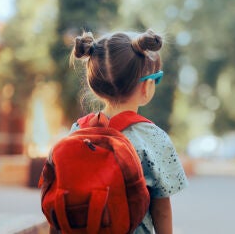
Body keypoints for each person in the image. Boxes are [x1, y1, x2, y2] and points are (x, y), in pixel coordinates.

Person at [69, 29, 188, 234]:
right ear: (146, 86)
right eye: (156, 79)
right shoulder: (152, 138)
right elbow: (161, 209)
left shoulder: (77, 130)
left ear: (95, 84)